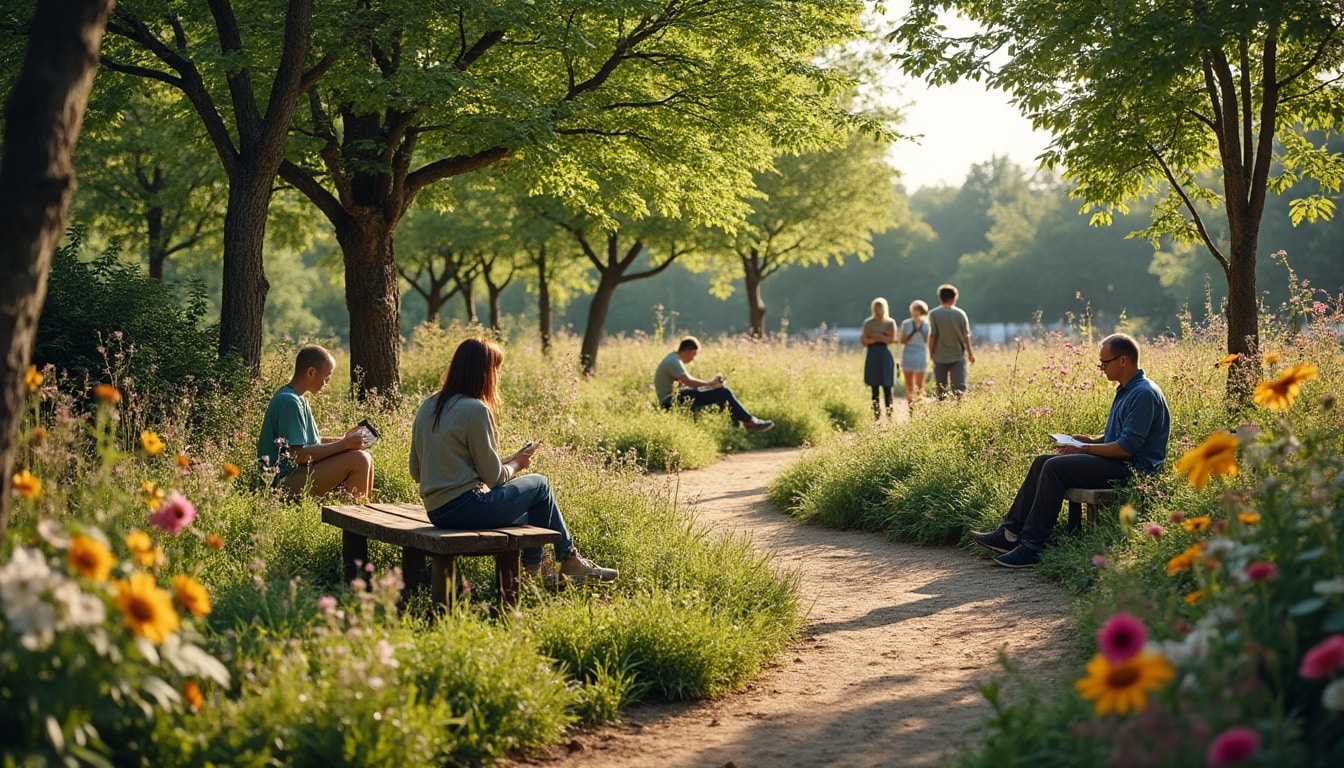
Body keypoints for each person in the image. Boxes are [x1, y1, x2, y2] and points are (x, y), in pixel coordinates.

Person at [409, 338, 616, 583]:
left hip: (437, 512)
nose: (497, 376)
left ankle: (544, 570)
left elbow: (417, 471)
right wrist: (518, 463)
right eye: (496, 369)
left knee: (537, 512)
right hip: (466, 510)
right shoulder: (475, 410)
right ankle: (546, 568)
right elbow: (495, 479)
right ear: (484, 372)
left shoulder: (429, 405)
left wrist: (508, 459)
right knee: (540, 484)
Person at [971, 333, 1170, 568]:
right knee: (1042, 461)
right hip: (1120, 462)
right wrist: (1091, 440)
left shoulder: (1143, 394)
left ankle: (1032, 547)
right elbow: (1120, 436)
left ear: (1123, 361)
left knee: (1055, 467)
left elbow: (1126, 448)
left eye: (1104, 363)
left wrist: (1084, 448)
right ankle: (1009, 533)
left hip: (1134, 470)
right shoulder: (1127, 390)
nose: (1101, 368)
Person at [257, 345, 375, 500]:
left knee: (365, 456)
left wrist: (345, 440)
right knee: (359, 460)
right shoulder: (289, 402)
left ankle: (360, 507)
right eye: (326, 378)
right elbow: (299, 455)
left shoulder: (299, 400)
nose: (326, 384)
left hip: (298, 474)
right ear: (311, 372)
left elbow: (312, 443)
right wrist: (345, 445)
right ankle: (354, 512)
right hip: (281, 483)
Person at [653, 336, 774, 433]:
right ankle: (749, 423)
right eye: (694, 354)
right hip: (670, 401)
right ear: (688, 350)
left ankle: (737, 429)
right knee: (724, 393)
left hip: (675, 398)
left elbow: (687, 385)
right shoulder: (674, 361)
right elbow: (689, 382)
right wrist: (710, 384)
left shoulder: (672, 358)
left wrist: (711, 386)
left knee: (720, 396)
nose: (693, 358)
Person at [927, 284, 975, 399]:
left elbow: (932, 336)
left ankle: (942, 407)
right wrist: (970, 353)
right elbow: (966, 336)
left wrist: (930, 353)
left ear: (940, 297)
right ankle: (959, 407)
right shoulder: (960, 314)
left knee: (941, 388)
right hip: (957, 356)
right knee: (959, 388)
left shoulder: (933, 314)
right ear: (954, 297)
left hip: (939, 357)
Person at [861, 298, 898, 421]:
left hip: (884, 355)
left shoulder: (889, 322)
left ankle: (889, 415)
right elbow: (864, 341)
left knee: (887, 387)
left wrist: (873, 336)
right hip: (873, 355)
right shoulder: (868, 323)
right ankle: (877, 415)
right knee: (874, 387)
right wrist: (881, 336)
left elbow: (891, 339)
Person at [900, 300, 931, 405]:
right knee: (920, 385)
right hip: (921, 353)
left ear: (915, 311)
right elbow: (928, 341)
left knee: (909, 385)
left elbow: (902, 341)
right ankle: (919, 405)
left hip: (908, 353)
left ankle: (911, 407)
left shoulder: (906, 324)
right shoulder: (927, 325)